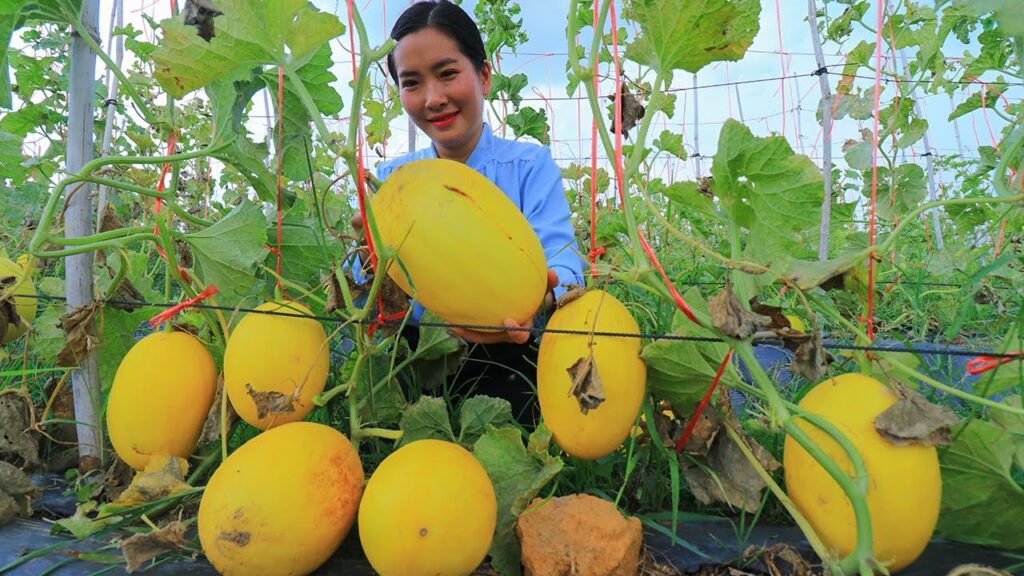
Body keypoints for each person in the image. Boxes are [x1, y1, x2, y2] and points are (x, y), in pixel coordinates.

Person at [356, 0, 584, 423]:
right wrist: (367, 255)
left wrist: (543, 297)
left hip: (508, 357)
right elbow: (363, 288)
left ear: (483, 75)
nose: (434, 98)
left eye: (447, 74)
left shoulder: (529, 167)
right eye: (412, 83)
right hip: (415, 359)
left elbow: (563, 259)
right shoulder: (390, 182)